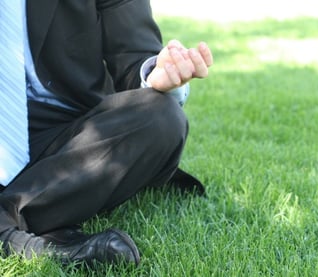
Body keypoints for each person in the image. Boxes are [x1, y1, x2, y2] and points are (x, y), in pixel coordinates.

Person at [0, 0, 213, 266]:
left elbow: (135, 53)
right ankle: (29, 242)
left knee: (162, 117)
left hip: (66, 130)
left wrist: (156, 72)